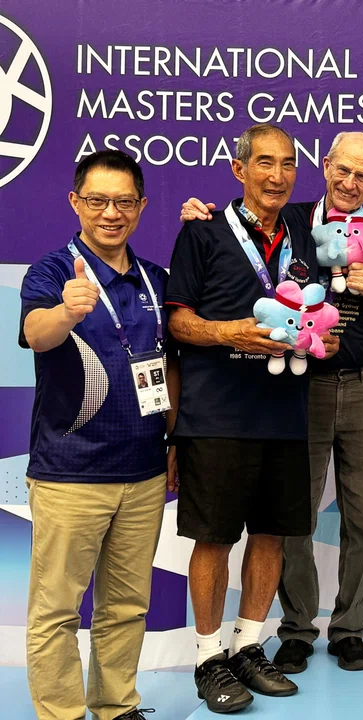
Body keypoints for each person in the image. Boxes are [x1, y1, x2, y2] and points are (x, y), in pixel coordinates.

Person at [180, 131, 363, 673]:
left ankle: (351, 629)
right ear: (326, 166)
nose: (351, 182)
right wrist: (200, 214)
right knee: (291, 519)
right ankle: (295, 629)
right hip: (298, 387)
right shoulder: (294, 223)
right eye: (343, 170)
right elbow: (240, 237)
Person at [167, 123, 336, 713]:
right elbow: (178, 322)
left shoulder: (307, 241)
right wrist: (227, 332)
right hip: (216, 416)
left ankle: (248, 647)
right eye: (264, 163)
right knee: (213, 539)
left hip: (285, 415)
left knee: (271, 536)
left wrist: (324, 342)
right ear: (239, 170)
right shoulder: (203, 231)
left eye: (288, 164)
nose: (277, 175)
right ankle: (208, 657)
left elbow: (316, 322)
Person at [20, 150, 177, 720]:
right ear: (75, 203)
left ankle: (115, 706)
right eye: (97, 201)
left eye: (124, 202)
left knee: (126, 606)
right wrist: (65, 312)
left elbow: (168, 366)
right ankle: (61, 714)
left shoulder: (157, 280)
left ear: (140, 206)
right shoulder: (52, 272)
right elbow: (36, 334)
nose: (111, 213)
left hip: (143, 473)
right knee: (57, 610)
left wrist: (174, 441)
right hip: (70, 474)